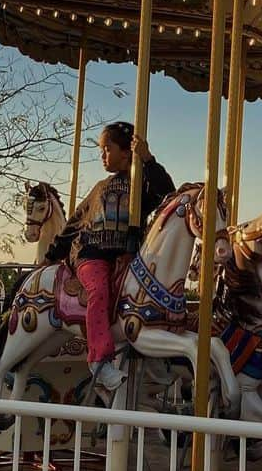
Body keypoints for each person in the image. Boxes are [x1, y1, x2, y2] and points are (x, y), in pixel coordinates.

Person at [56, 122, 175, 390]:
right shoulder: (101, 188)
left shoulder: (140, 186)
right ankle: (98, 359)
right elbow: (74, 222)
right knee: (99, 291)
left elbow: (167, 191)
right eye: (102, 150)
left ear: (125, 152)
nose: (102, 156)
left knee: (153, 294)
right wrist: (53, 254)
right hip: (92, 254)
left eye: (106, 149)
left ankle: (156, 354)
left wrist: (147, 159)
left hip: (126, 256)